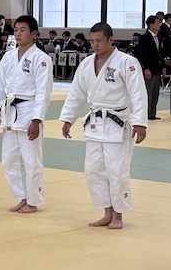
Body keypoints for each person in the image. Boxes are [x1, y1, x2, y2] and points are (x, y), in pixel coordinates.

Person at [59, 23, 149, 230]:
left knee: (116, 171)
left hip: (117, 123)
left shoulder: (127, 62)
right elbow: (76, 93)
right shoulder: (86, 63)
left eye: (99, 41)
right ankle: (107, 212)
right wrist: (68, 118)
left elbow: (138, 93)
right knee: (93, 171)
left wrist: (140, 122)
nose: (95, 45)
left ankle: (118, 215)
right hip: (95, 124)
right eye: (92, 41)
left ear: (111, 40)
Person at [0, 15, 53, 213]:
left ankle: (33, 200)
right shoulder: (8, 57)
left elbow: (43, 92)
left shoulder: (41, 59)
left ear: (34, 33)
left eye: (22, 30)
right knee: (10, 159)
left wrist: (36, 119)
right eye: (16, 30)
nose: (18, 33)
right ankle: (23, 196)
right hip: (9, 112)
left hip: (29, 111)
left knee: (31, 160)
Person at [132, 16, 164, 120]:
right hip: (149, 68)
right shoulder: (145, 38)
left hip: (157, 68)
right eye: (158, 23)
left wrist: (163, 67)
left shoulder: (159, 37)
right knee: (148, 92)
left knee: (155, 93)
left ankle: (152, 113)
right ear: (151, 25)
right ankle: (145, 113)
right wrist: (146, 68)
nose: (160, 25)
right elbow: (143, 54)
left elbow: (160, 54)